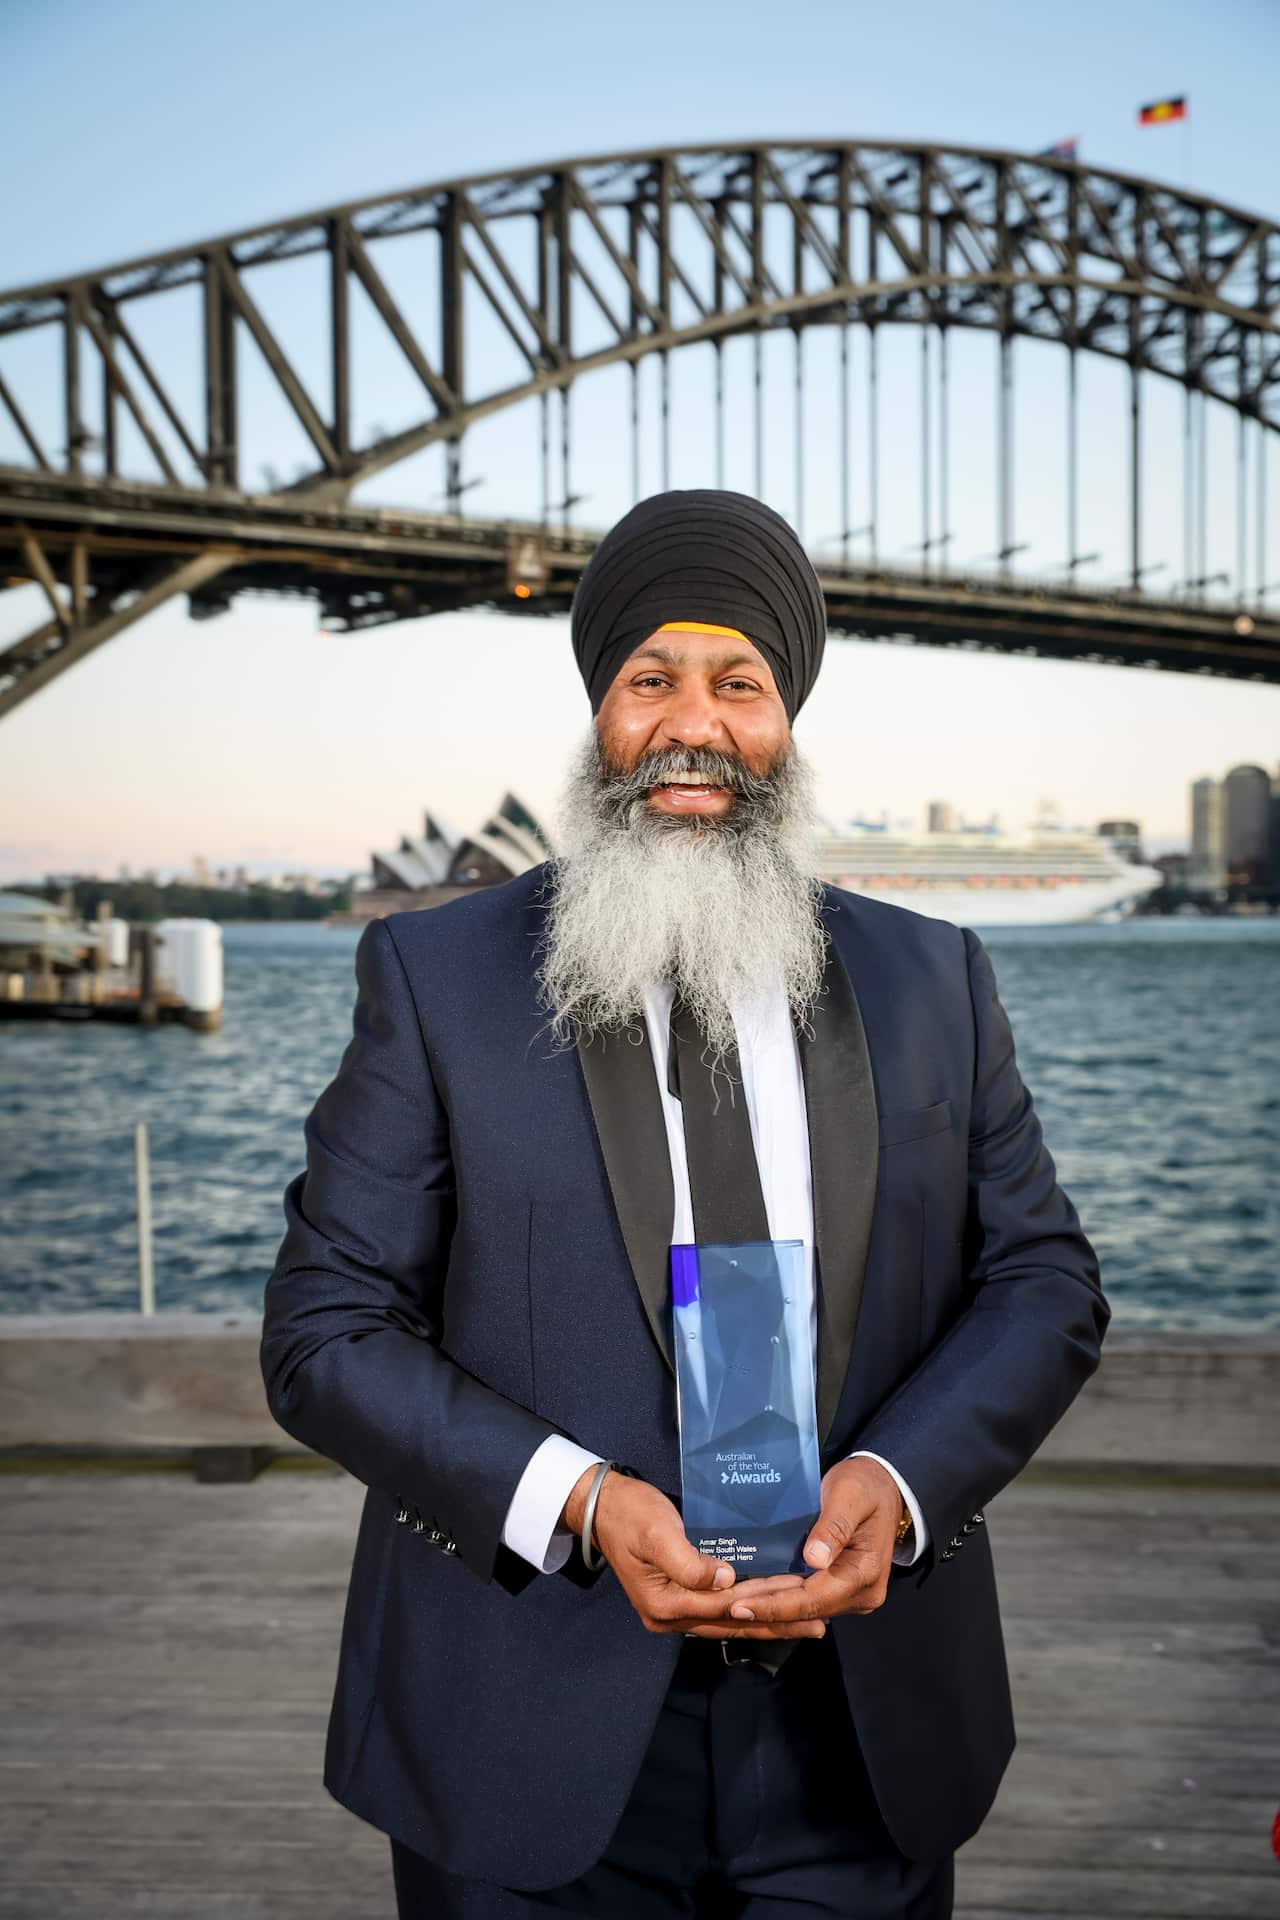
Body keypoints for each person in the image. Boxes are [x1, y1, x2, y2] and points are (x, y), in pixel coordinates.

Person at [261, 488, 1109, 1919]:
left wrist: (894, 1490)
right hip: (527, 1712)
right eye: (650, 679)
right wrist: (581, 1502)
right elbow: (324, 1328)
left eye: (740, 682)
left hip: (859, 1728)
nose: (693, 724)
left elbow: (1044, 1281)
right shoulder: (442, 978)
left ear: (789, 721)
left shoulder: (934, 981)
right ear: (600, 713)